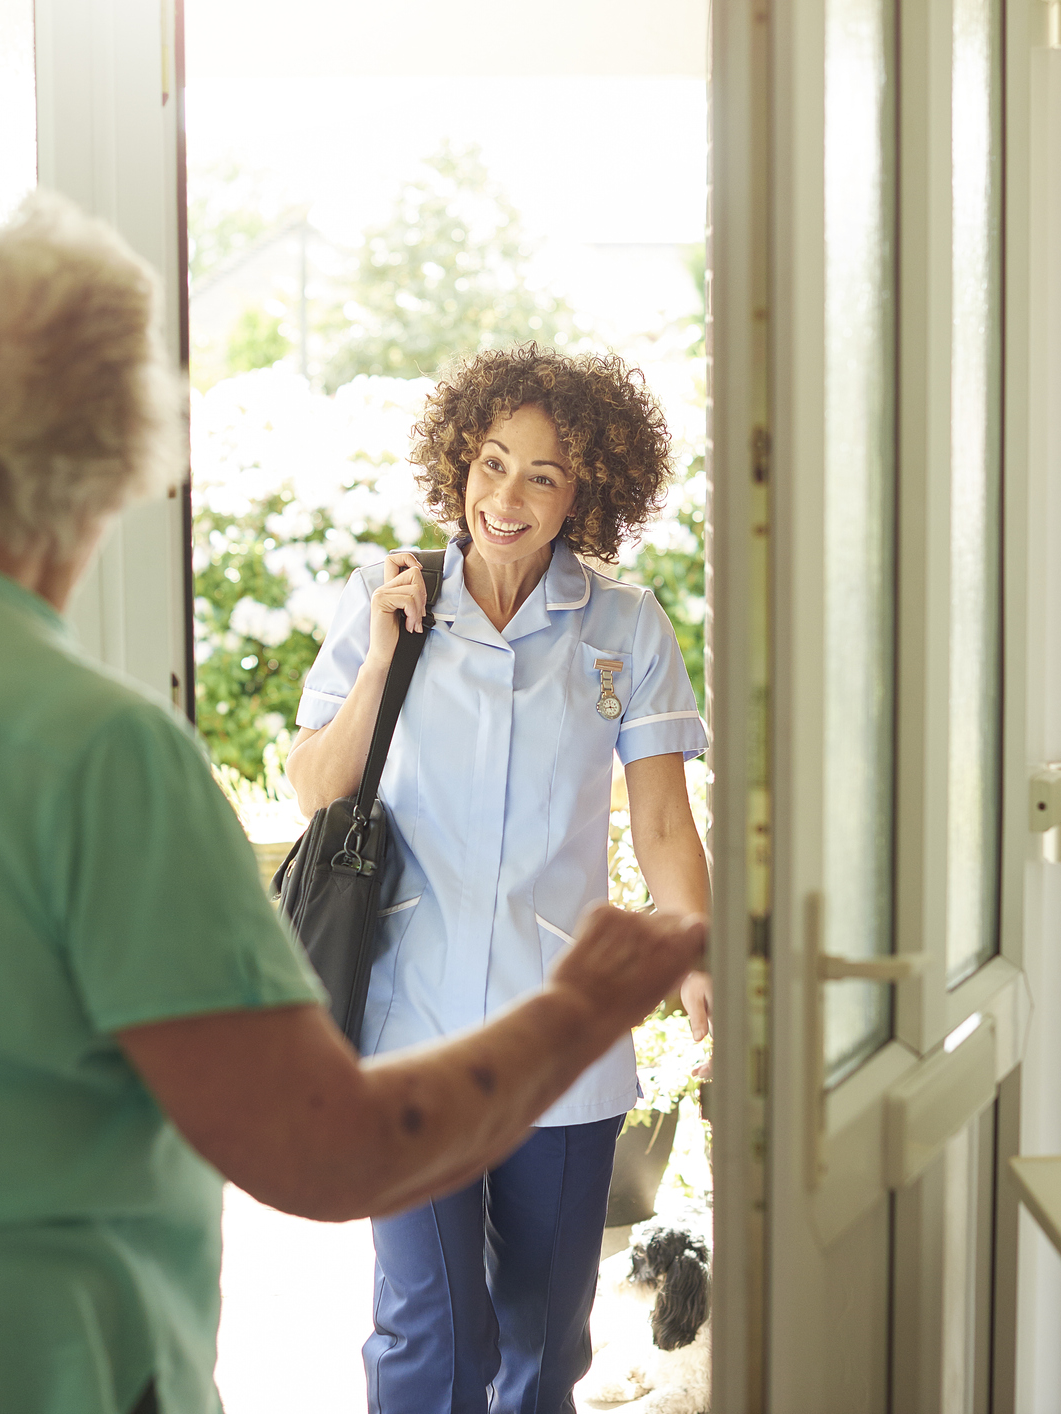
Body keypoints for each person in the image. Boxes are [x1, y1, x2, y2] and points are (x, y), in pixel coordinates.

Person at [0, 195, 704, 1414]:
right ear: (119, 458)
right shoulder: (106, 757)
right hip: (31, 1370)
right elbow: (318, 1146)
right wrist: (577, 1010)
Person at [286, 345, 712, 1414]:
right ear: (457, 466)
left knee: (540, 1340)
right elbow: (313, 789)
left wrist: (692, 944)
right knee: (429, 1331)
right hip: (409, 1025)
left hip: (563, 1031)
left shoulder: (625, 626)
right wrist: (384, 656)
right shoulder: (388, 599)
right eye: (489, 463)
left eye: (543, 474)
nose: (505, 498)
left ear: (586, 494)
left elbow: (661, 815)